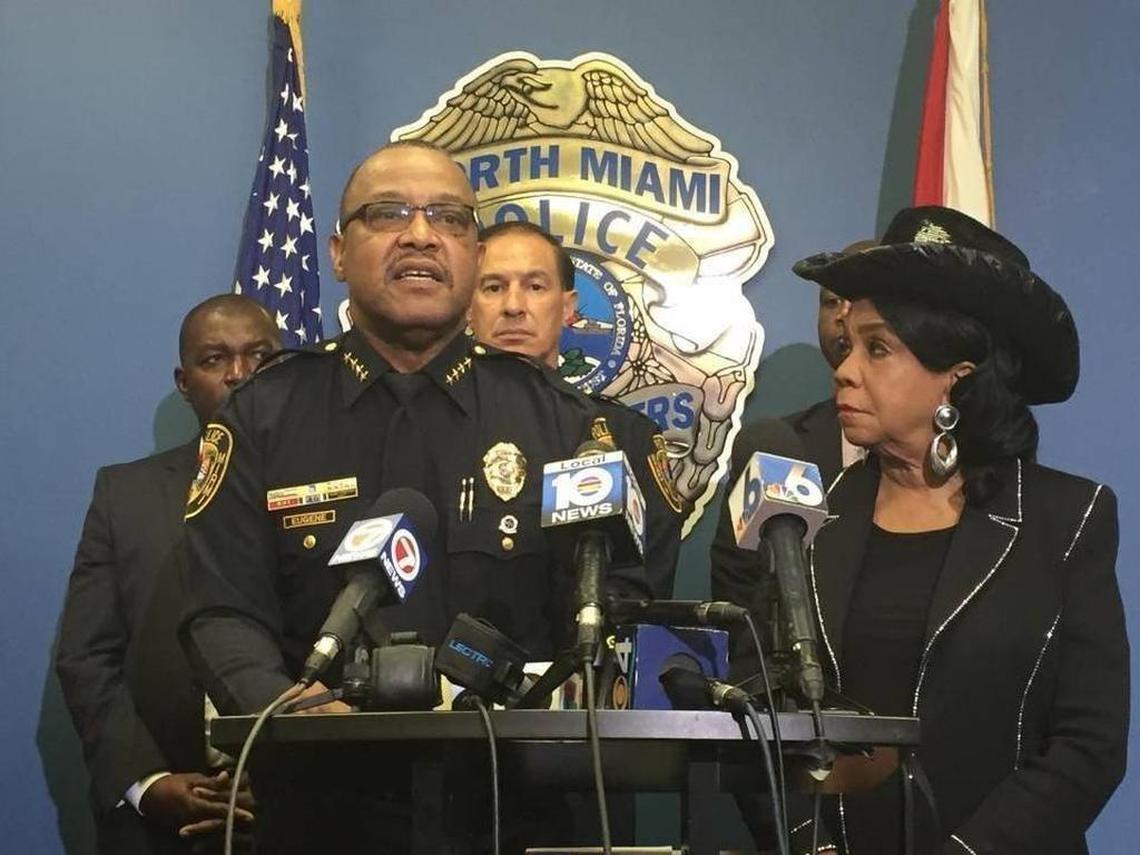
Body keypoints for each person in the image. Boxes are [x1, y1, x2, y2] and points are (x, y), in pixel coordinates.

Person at [178, 141, 675, 852]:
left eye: (448, 217)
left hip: (511, 810)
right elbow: (219, 608)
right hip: (321, 807)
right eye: (388, 213)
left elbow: (614, 607)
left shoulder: (564, 424)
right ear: (338, 253)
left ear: (473, 254)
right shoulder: (262, 415)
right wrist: (280, 703)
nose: (420, 234)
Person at [732, 206, 1129, 854]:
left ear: (956, 378)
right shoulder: (802, 517)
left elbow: (1089, 746)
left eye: (877, 348)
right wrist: (813, 847)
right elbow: (758, 720)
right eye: (847, 343)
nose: (845, 367)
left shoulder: (1068, 520)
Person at [55, 294, 280, 854]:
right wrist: (146, 783)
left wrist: (297, 778)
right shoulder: (124, 495)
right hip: (160, 828)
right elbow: (87, 656)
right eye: (214, 359)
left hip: (303, 814)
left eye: (259, 356)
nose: (239, 374)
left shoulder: (331, 492)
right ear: (184, 382)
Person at [471, 219, 684, 597]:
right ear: (466, 307)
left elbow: (644, 594)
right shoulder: (431, 424)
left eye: (535, 287)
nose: (513, 306)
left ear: (568, 307)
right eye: (493, 287)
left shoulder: (627, 439)